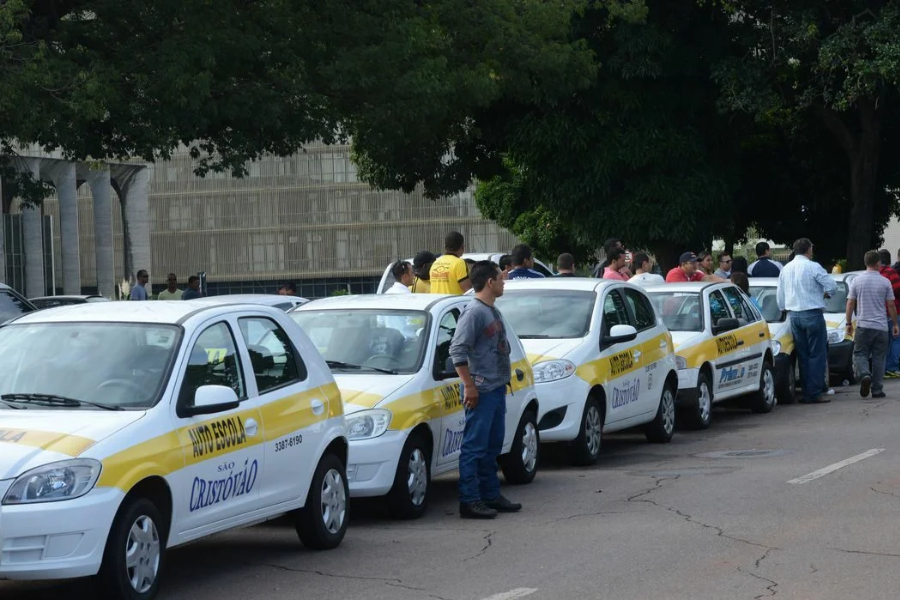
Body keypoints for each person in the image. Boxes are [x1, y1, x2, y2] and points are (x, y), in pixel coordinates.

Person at [449, 261, 520, 519]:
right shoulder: (474, 313)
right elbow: (457, 350)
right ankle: (469, 500)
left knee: (492, 446)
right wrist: (469, 385)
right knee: (474, 447)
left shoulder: (492, 311)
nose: (503, 283)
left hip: (496, 387)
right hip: (481, 389)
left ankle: (491, 495)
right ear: (489, 282)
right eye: (500, 279)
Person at [776, 238, 837, 404]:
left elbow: (780, 298)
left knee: (802, 354)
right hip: (812, 313)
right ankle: (814, 392)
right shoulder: (813, 266)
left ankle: (806, 390)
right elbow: (832, 286)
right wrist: (823, 295)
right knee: (817, 354)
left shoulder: (786, 269)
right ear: (808, 250)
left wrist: (786, 307)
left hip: (794, 315)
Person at [846, 250, 900, 398]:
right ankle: (877, 389)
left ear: (865, 263)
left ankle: (864, 374)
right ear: (878, 263)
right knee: (879, 358)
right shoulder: (885, 281)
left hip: (863, 325)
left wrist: (848, 322)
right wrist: (895, 324)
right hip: (881, 326)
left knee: (860, 353)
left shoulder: (857, 280)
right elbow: (890, 305)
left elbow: (850, 302)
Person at [877, 249, 900, 377]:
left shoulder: (874, 273)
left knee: (883, 342)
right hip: (893, 310)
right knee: (896, 339)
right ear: (889, 260)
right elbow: (898, 289)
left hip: (878, 312)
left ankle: (882, 368)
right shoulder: (891, 273)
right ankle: (892, 367)